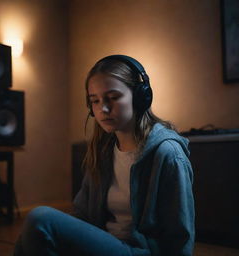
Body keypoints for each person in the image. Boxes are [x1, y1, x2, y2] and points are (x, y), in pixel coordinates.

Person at [13, 55, 195, 256]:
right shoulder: (102, 150)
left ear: (141, 96)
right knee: (30, 236)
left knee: (40, 218)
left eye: (113, 97)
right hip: (106, 244)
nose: (103, 109)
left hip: (141, 251)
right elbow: (82, 215)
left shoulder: (167, 154)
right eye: (95, 101)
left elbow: (180, 235)